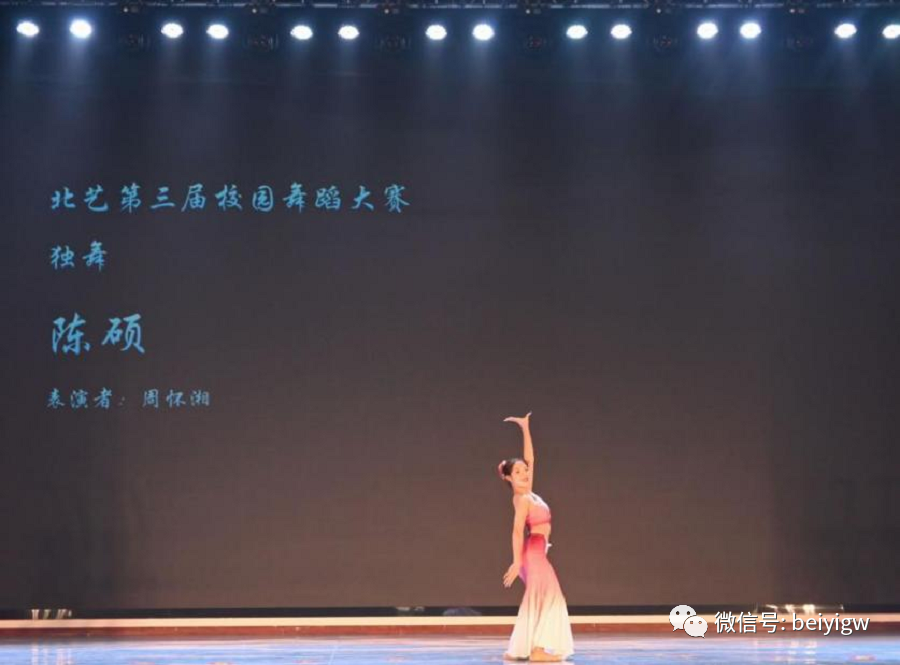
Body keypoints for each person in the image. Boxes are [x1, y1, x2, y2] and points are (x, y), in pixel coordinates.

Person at [499, 411, 575, 662]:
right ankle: (538, 650)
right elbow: (516, 530)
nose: (524, 473)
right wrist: (516, 562)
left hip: (538, 551)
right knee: (549, 595)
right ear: (509, 478)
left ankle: (527, 648)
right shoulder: (521, 499)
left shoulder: (529, 493)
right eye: (518, 472)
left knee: (543, 596)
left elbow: (531, 459)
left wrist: (525, 428)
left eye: (525, 470)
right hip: (532, 554)